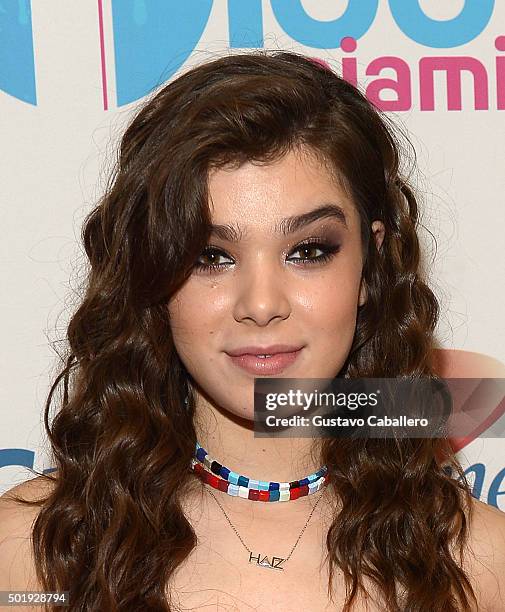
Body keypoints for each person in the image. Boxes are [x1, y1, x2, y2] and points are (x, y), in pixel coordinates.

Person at [1, 50, 504, 612]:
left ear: (372, 264)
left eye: (309, 251)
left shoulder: (479, 563)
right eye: (211, 256)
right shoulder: (36, 555)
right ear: (153, 273)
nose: (261, 305)